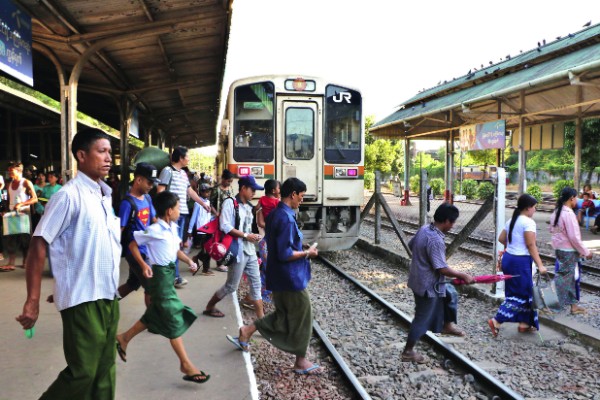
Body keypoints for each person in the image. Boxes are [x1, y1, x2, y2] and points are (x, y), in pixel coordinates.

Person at [16, 128, 121, 399]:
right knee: (83, 371)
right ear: (82, 155)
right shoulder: (68, 195)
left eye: (109, 152)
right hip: (83, 299)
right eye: (101, 151)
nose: (108, 157)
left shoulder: (104, 196)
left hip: (108, 296)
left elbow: (87, 247)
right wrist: (33, 299)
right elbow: (39, 244)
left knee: (104, 370)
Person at [226, 177, 322, 375]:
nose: (301, 201)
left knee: (283, 314)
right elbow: (285, 254)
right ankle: (301, 361)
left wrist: (299, 246)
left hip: (279, 275)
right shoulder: (286, 217)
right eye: (301, 197)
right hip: (290, 278)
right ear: (293, 194)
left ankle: (247, 331)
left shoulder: (278, 213)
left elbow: (281, 244)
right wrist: (307, 253)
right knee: (304, 315)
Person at [115, 191, 210, 385]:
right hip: (159, 279)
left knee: (155, 314)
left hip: (167, 277)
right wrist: (143, 265)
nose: (179, 210)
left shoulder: (172, 228)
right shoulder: (155, 230)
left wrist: (189, 261)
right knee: (173, 317)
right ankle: (186, 364)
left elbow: (175, 250)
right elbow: (132, 246)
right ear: (169, 211)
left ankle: (123, 338)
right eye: (177, 207)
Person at [401, 203, 474, 364]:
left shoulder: (425, 229)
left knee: (449, 294)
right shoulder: (435, 240)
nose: (453, 225)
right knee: (422, 318)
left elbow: (411, 245)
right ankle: (408, 351)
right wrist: (463, 274)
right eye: (453, 222)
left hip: (419, 280)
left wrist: (422, 262)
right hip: (427, 286)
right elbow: (442, 269)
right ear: (446, 221)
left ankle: (446, 325)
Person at [203, 175, 264, 319]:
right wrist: (245, 235)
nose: (254, 193)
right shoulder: (230, 203)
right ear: (243, 188)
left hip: (250, 251)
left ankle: (262, 321)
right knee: (231, 286)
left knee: (256, 284)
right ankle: (209, 306)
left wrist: (255, 236)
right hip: (236, 251)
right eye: (252, 190)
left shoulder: (249, 207)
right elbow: (225, 226)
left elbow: (249, 227)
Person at [488, 194, 547, 337]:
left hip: (509, 259)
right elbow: (530, 245)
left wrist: (513, 247)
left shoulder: (511, 221)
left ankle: (524, 324)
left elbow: (501, 238)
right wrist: (540, 265)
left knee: (522, 293)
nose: (535, 210)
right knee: (522, 295)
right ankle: (497, 320)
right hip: (520, 262)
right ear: (528, 208)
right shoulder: (528, 222)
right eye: (534, 207)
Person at [157, 146, 210, 288]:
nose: (188, 159)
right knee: (173, 245)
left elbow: (190, 191)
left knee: (177, 245)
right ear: (180, 158)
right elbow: (160, 191)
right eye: (187, 156)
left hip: (182, 213)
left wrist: (203, 204)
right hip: (171, 215)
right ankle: (174, 277)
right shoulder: (168, 171)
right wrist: (165, 210)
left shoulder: (183, 174)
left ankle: (174, 276)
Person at [117, 163, 159, 304]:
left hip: (146, 249)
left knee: (132, 284)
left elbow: (153, 219)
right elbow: (119, 230)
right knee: (152, 287)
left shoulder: (147, 198)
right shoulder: (127, 203)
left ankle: (106, 303)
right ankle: (153, 322)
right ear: (138, 180)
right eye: (149, 182)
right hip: (135, 252)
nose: (151, 186)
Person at [549, 187, 592, 314]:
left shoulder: (557, 211)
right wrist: (585, 251)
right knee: (562, 278)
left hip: (560, 249)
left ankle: (573, 306)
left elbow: (552, 231)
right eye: (576, 197)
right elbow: (574, 237)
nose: (577, 200)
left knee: (570, 277)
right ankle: (550, 305)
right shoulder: (568, 214)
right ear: (571, 198)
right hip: (568, 251)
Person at [1, 161, 38, 271]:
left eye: (11, 171)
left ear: (18, 171)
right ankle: (11, 262)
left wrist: (22, 203)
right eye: (9, 171)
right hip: (11, 214)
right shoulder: (9, 184)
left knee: (25, 239)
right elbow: (7, 200)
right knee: (10, 238)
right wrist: (5, 211)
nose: (9, 173)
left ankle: (25, 261)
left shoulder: (26, 183)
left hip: (24, 214)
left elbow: (35, 198)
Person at [187, 183, 214, 276]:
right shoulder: (197, 204)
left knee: (209, 248)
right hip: (201, 229)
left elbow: (209, 216)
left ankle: (197, 259)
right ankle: (206, 269)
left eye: (209, 192)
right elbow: (193, 217)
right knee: (205, 249)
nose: (208, 194)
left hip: (208, 228)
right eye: (206, 192)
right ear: (201, 192)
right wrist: (190, 230)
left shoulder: (208, 202)